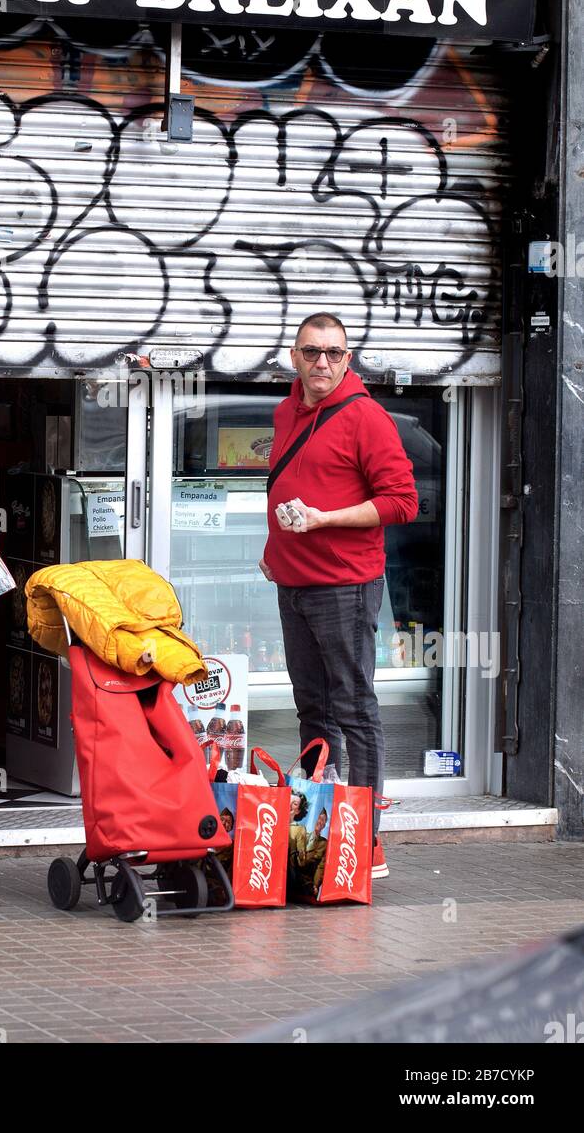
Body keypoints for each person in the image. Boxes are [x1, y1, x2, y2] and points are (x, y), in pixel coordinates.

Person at [260, 313, 418, 879]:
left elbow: (403, 501)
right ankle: (315, 831)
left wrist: (325, 520)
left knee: (352, 708)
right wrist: (274, 547)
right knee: (313, 710)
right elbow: (290, 484)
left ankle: (366, 839)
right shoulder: (287, 410)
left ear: (348, 359)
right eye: (310, 352)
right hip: (294, 584)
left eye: (332, 352)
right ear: (294, 356)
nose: (321, 362)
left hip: (345, 587)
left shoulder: (366, 418)